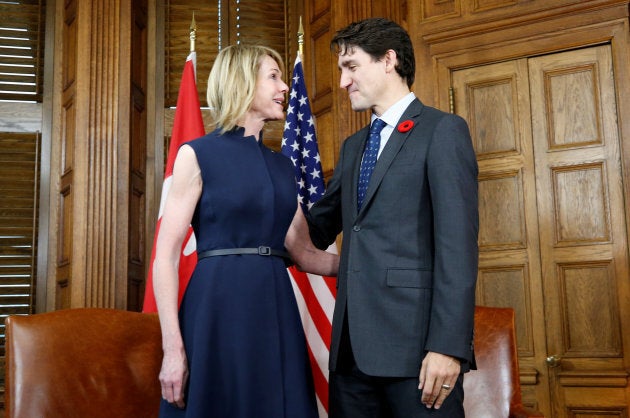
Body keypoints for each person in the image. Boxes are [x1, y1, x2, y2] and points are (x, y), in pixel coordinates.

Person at [305, 17, 479, 417]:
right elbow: (317, 227)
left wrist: (448, 348)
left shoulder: (442, 131)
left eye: (352, 67)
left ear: (388, 60)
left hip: (417, 356)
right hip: (350, 359)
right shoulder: (353, 147)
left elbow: (457, 249)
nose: (344, 81)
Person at [153, 44, 338, 418]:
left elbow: (303, 254)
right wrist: (173, 349)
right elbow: (166, 257)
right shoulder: (197, 154)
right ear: (241, 83)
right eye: (273, 77)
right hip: (215, 309)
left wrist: (367, 265)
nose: (284, 87)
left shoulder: (284, 167)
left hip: (275, 310)